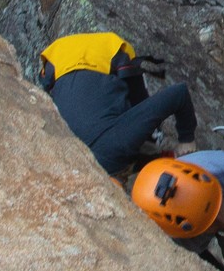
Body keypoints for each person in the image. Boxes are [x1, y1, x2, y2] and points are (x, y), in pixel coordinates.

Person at [38, 32, 198, 174]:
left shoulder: (119, 144)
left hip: (104, 51)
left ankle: (150, 139)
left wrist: (186, 139)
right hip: (56, 62)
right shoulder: (70, 161)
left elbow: (179, 93)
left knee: (144, 126)